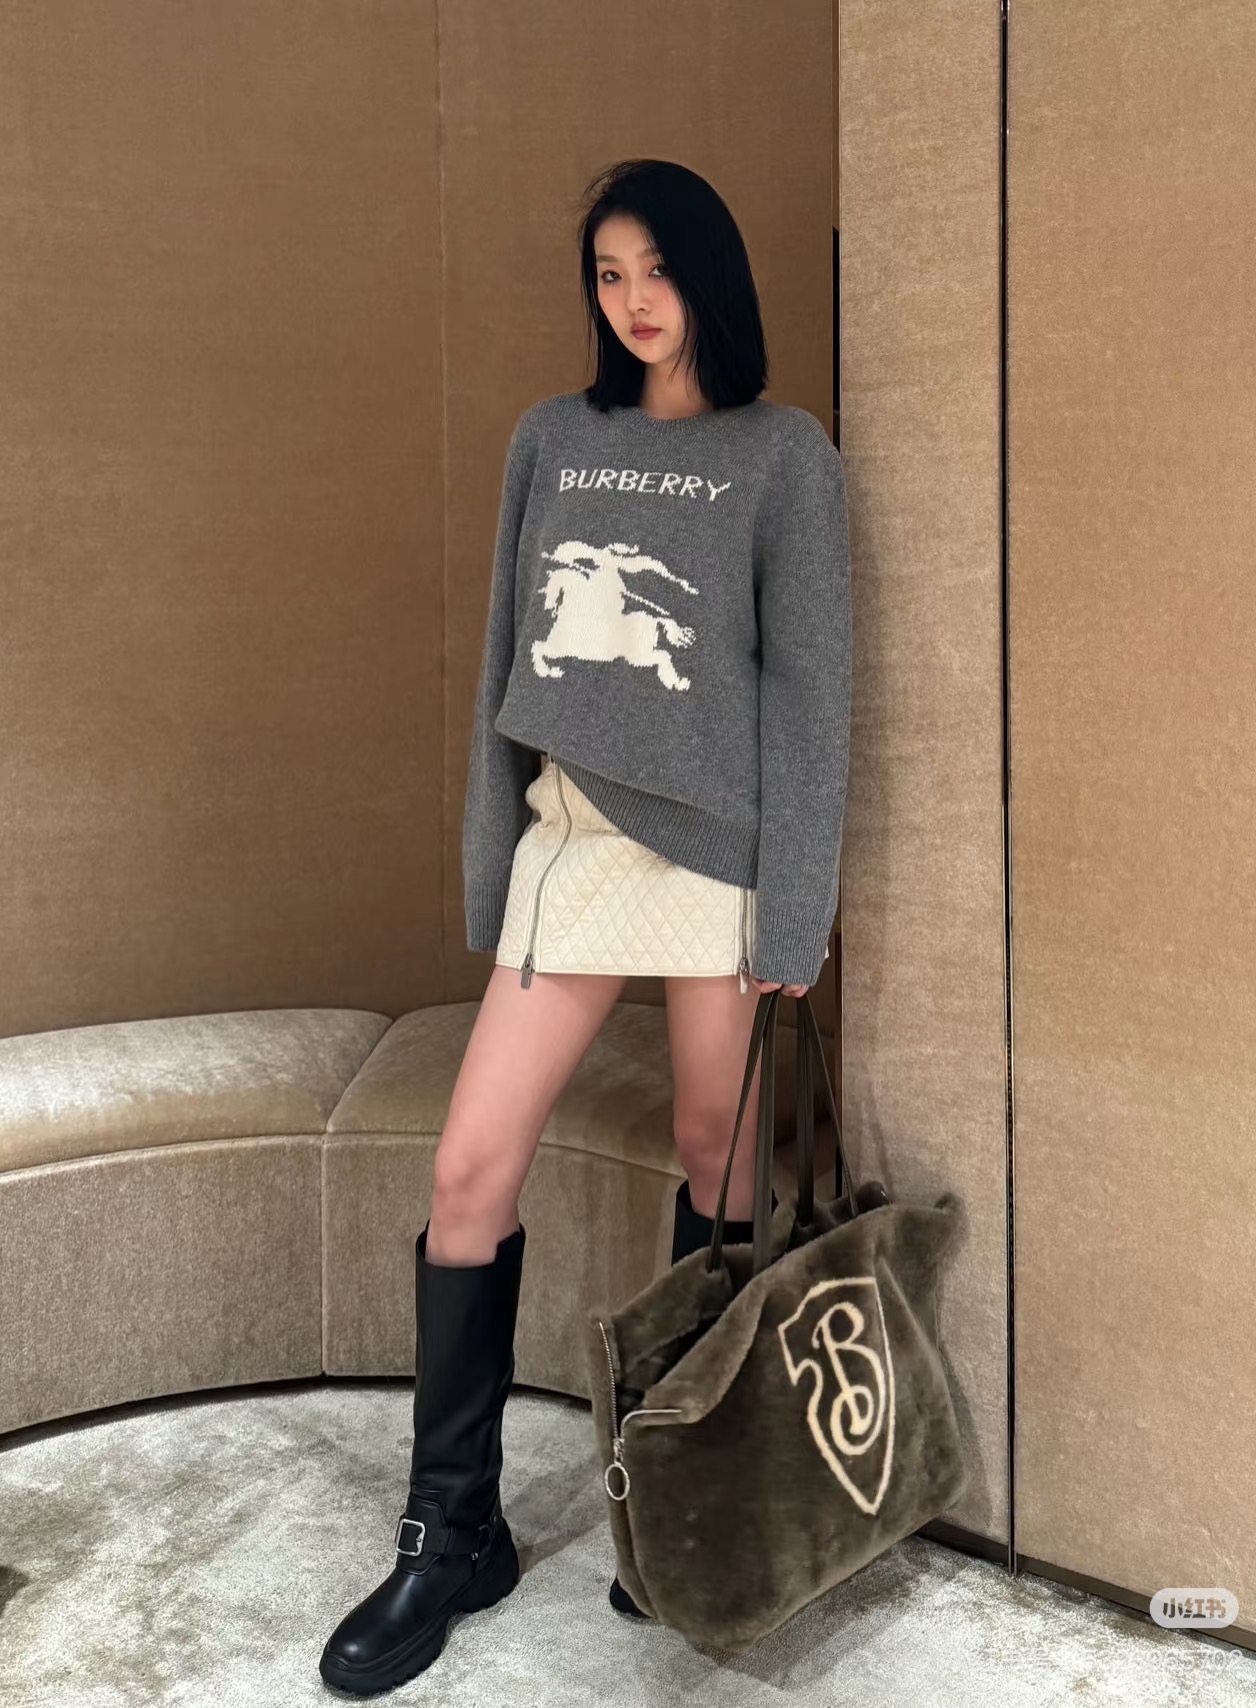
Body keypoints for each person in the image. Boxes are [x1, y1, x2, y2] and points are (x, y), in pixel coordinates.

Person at [318, 156, 853, 1695]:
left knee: (717, 1150)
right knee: (467, 1171)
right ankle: (451, 1533)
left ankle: (681, 1504)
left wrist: (797, 913)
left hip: (717, 861)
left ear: (710, 276)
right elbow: (508, 660)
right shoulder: (552, 437)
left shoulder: (783, 455)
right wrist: (494, 870)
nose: (633, 301)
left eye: (658, 270)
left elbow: (813, 699)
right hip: (573, 844)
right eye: (609, 274)